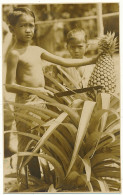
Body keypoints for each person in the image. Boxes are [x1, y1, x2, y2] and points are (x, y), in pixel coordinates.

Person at [5, 7, 97, 191]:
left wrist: (91, 60)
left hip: (43, 103)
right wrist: (36, 91)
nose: (29, 30)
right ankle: (34, 183)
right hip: (26, 105)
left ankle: (50, 178)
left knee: (48, 140)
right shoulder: (14, 54)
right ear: (12, 28)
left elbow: (64, 61)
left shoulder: (37, 50)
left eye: (32, 25)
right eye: (23, 26)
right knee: (30, 147)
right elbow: (9, 85)